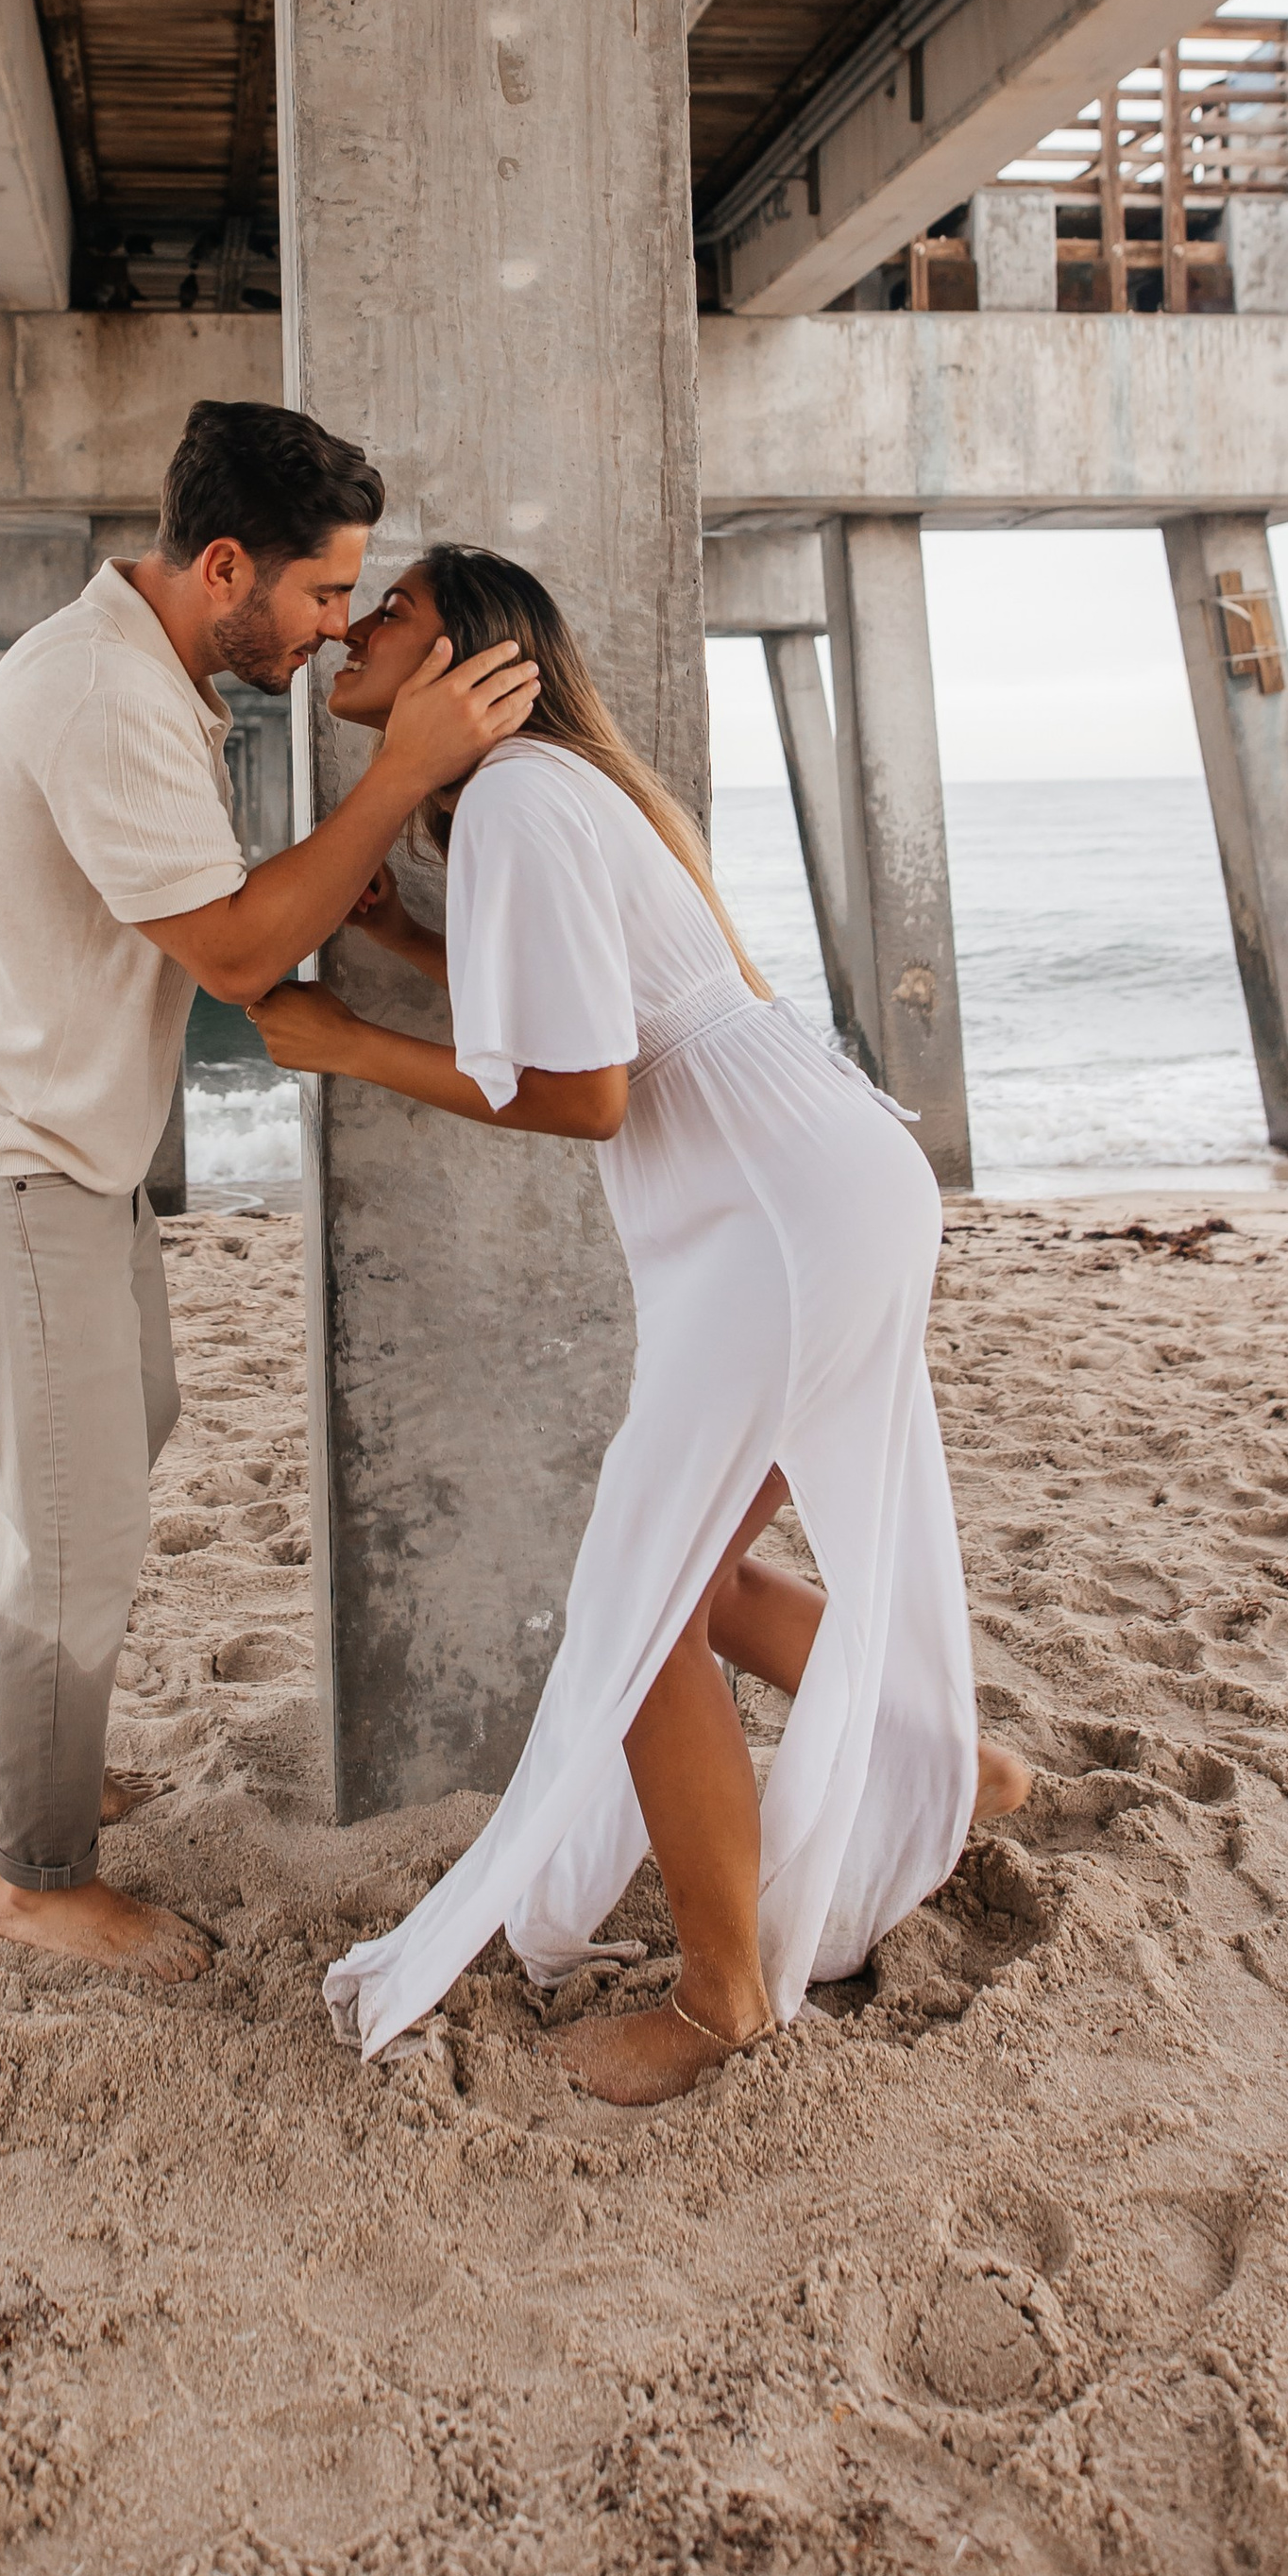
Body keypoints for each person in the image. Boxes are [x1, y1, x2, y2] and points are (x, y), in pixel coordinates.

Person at [248, 545, 1028, 2106]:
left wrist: (343, 1042)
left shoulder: (526, 799)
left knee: (654, 1601)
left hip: (769, 1213)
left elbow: (594, 1092)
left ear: (472, 653)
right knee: (702, 1571)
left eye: (386, 609)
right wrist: (411, 948)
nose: (352, 626)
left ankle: (725, 1997)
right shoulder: (551, 794)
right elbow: (616, 997)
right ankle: (959, 1774)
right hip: (817, 1173)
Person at [0, 408, 540, 1981]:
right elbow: (240, 956)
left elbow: (229, 911)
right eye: (323, 597)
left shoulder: (151, 666)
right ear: (225, 564)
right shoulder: (107, 695)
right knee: (81, 1522)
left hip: (58, 1147)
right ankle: (34, 1874)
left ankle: (9, 1736)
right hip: (7, 1157)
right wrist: (410, 776)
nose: (335, 631)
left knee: (131, 1428)